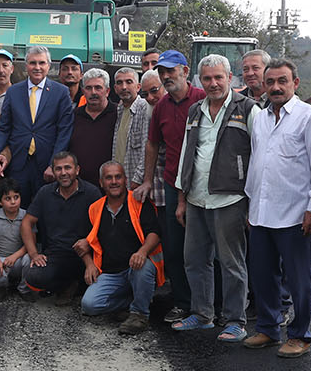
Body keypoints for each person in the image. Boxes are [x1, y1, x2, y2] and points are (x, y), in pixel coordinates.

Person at [242, 58, 311, 357]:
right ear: (264, 86)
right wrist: (251, 205)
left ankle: (300, 335)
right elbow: (256, 163)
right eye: (271, 82)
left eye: (282, 81)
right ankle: (267, 328)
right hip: (261, 211)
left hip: (294, 212)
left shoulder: (310, 117)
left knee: (298, 278)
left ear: (295, 83)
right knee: (262, 274)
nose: (276, 87)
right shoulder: (261, 118)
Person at [173, 54, 256, 339]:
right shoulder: (196, 110)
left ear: (230, 78)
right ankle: (202, 314)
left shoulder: (248, 109)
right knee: (195, 259)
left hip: (230, 198)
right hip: (196, 197)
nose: (213, 83)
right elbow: (187, 153)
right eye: (207, 78)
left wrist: (251, 203)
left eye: (218, 77)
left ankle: (236, 320)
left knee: (232, 262)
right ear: (200, 80)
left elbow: (259, 157)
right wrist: (182, 198)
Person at [135, 50, 203, 324]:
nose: (166, 76)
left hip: (204, 185)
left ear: (185, 71)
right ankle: (183, 303)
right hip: (174, 185)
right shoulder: (161, 106)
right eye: (163, 71)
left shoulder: (202, 98)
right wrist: (149, 179)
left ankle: (215, 306)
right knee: (175, 248)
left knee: (207, 249)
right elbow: (153, 143)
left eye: (171, 71)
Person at [76, 160, 163, 335]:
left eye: (118, 177)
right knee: (89, 305)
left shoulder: (139, 202)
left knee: (143, 265)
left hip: (135, 268)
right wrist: (89, 264)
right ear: (101, 183)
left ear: (125, 179)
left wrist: (142, 251)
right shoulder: (95, 208)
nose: (114, 181)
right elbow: (83, 242)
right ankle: (136, 300)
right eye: (109, 178)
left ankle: (139, 315)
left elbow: (155, 233)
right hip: (110, 273)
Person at [0, 44, 74, 200]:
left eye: (41, 63)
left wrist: (54, 164)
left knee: (45, 214)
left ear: (48, 66)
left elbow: (64, 131)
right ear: (26, 65)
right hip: (17, 164)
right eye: (33, 63)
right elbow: (4, 128)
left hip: (46, 167)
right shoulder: (13, 92)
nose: (37, 67)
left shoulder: (61, 92)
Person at [20, 151, 99, 299]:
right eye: (58, 169)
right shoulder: (45, 192)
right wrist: (34, 254)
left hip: (85, 254)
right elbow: (26, 223)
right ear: (53, 172)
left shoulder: (91, 193)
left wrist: (89, 244)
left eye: (68, 168)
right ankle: (67, 285)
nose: (63, 173)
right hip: (56, 254)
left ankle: (76, 285)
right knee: (33, 276)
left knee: (97, 283)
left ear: (77, 170)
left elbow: (102, 226)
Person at [68, 68, 117, 185]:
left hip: (111, 185)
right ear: (83, 91)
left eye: (98, 88)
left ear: (107, 91)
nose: (93, 92)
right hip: (79, 186)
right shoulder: (73, 116)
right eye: (89, 88)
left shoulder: (118, 114)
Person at [0, 180, 29, 294]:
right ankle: (3, 287)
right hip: (0, 258)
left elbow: (30, 243)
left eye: (16, 197)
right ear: (0, 201)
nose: (13, 202)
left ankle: (24, 290)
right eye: (8, 198)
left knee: (30, 260)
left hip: (18, 259)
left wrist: (14, 256)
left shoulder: (26, 215)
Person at [111, 67, 150, 192]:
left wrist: (137, 178)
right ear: (115, 88)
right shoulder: (119, 109)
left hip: (136, 182)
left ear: (138, 87)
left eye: (129, 82)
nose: (124, 87)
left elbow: (147, 148)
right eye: (119, 83)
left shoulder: (145, 108)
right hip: (119, 180)